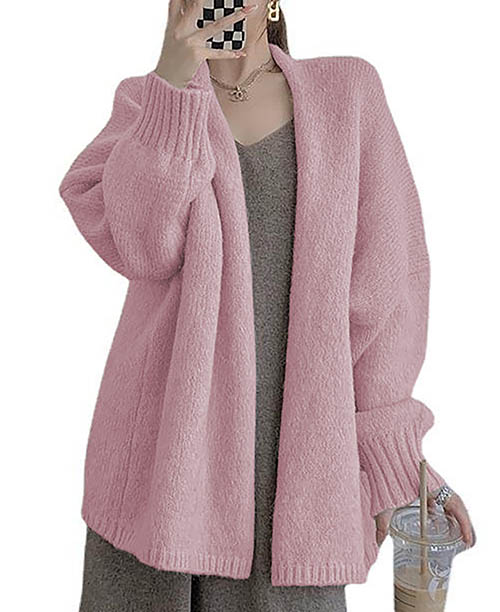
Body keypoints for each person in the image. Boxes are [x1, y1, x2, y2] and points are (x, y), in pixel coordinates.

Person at [59, 1, 476, 610]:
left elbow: (388, 296)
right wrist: (173, 83)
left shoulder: (348, 94)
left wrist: (397, 467)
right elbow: (143, 247)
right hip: (158, 486)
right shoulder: (147, 104)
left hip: (295, 493)